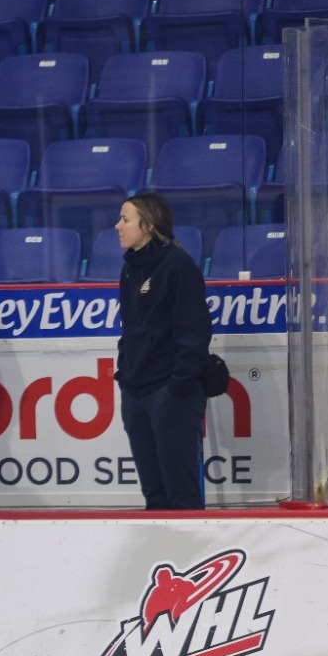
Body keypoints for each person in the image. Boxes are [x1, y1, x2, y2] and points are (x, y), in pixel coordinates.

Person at [116, 192, 212, 510]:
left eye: (125, 219)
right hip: (136, 391)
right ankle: (162, 560)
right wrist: (125, 374)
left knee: (180, 494)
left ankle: (195, 558)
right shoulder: (129, 269)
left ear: (148, 224)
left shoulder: (178, 266)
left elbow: (194, 335)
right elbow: (131, 329)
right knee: (154, 496)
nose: (118, 226)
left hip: (170, 392)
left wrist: (177, 388)